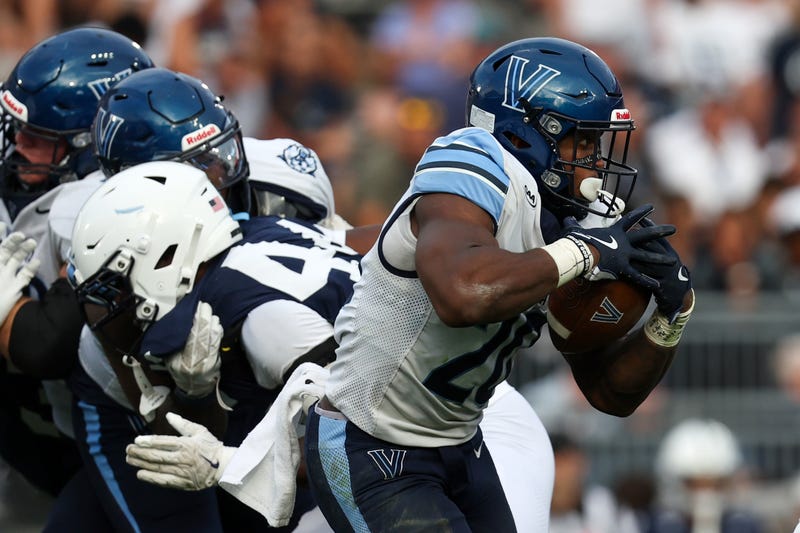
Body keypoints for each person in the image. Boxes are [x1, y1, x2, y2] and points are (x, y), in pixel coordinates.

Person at [303, 36, 695, 531]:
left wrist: (671, 315)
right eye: (582, 142)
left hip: (461, 444)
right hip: (370, 443)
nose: (596, 163)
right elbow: (461, 294)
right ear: (523, 134)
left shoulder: (578, 220)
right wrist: (586, 252)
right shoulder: (471, 160)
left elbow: (608, 395)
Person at [0, 26, 153, 501]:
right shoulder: (36, 187)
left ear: (93, 142)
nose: (17, 143)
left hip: (137, 431)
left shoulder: (113, 206)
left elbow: (44, 346)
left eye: (37, 136)